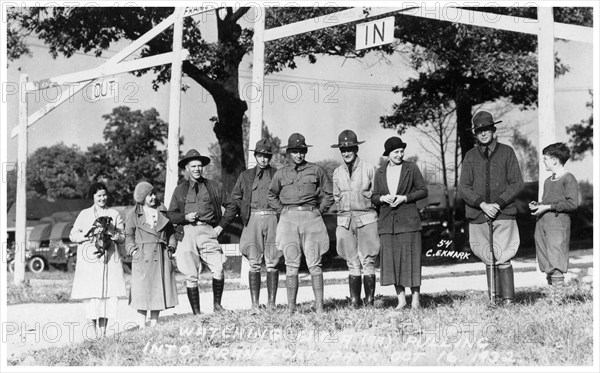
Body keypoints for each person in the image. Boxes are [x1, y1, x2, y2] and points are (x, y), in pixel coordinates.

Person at [459, 111, 524, 306]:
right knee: (487, 257)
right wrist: (482, 204)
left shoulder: (507, 152)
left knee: (504, 256)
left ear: (493, 130)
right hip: (478, 214)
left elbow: (517, 183)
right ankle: (494, 299)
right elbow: (464, 187)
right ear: (475, 134)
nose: (483, 134)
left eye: (487, 129)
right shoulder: (470, 156)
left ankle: (508, 300)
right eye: (479, 131)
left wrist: (498, 204)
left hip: (504, 213)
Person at [268, 133, 334, 314]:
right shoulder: (281, 173)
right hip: (288, 218)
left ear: (305, 151)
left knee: (315, 262)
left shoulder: (316, 170)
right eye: (295, 152)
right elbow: (271, 195)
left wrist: (319, 211)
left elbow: (329, 193)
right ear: (289, 153)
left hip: (311, 217)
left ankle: (320, 307)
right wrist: (282, 211)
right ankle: (291, 308)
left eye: (302, 151)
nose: (299, 155)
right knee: (291, 263)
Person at [167, 149, 237, 314]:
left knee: (218, 267)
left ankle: (217, 306)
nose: (197, 169)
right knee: (191, 274)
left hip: (208, 231)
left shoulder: (214, 186)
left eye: (199, 166)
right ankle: (197, 313)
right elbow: (171, 215)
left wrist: (220, 227)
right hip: (186, 233)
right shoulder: (180, 190)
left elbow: (232, 205)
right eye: (193, 166)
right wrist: (185, 217)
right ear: (187, 169)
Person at [372, 137, 428, 310]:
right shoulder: (380, 172)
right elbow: (374, 197)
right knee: (393, 263)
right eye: (396, 152)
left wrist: (405, 198)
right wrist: (382, 198)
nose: (399, 154)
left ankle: (416, 300)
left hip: (409, 223)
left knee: (411, 261)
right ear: (388, 154)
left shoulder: (411, 168)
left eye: (401, 151)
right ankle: (401, 300)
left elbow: (423, 191)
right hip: (388, 224)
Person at [70, 182, 126, 338]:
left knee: (107, 297)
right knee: (92, 297)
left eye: (104, 195)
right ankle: (93, 333)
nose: (102, 198)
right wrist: (88, 235)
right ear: (93, 197)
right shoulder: (84, 214)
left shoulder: (114, 214)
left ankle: (103, 332)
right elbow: (73, 235)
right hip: (90, 262)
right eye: (99, 195)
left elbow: (123, 237)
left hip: (110, 260)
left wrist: (112, 233)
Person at [331, 130, 380, 308]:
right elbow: (336, 196)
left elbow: (377, 194)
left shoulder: (369, 169)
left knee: (368, 260)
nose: (346, 152)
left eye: (349, 148)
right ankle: (355, 300)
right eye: (343, 150)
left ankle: (370, 300)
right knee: (351, 260)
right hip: (345, 220)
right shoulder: (337, 172)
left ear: (356, 148)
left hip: (366, 217)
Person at [231, 139, 282, 310]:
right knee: (254, 262)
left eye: (267, 156)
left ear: (270, 157)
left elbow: (284, 195)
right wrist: (244, 210)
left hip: (273, 217)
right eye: (260, 155)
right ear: (255, 156)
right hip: (252, 218)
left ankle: (272, 303)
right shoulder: (246, 176)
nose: (263, 159)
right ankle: (254, 304)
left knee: (272, 261)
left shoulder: (277, 174)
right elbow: (236, 196)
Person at [125, 181, 179, 327]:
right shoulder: (134, 214)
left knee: (158, 288)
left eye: (154, 193)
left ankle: (154, 323)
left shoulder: (162, 210)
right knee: (142, 290)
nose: (153, 197)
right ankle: (142, 324)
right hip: (142, 255)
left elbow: (171, 233)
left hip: (160, 254)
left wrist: (171, 247)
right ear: (142, 198)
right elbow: (129, 235)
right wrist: (132, 250)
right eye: (149, 195)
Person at [530, 143, 578, 301]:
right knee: (546, 259)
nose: (543, 161)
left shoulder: (569, 178)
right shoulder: (547, 181)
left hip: (558, 225)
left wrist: (548, 207)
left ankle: (558, 300)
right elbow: (547, 202)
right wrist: (538, 206)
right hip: (543, 224)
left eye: (545, 159)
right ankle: (553, 298)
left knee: (556, 259)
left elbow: (572, 204)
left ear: (555, 160)